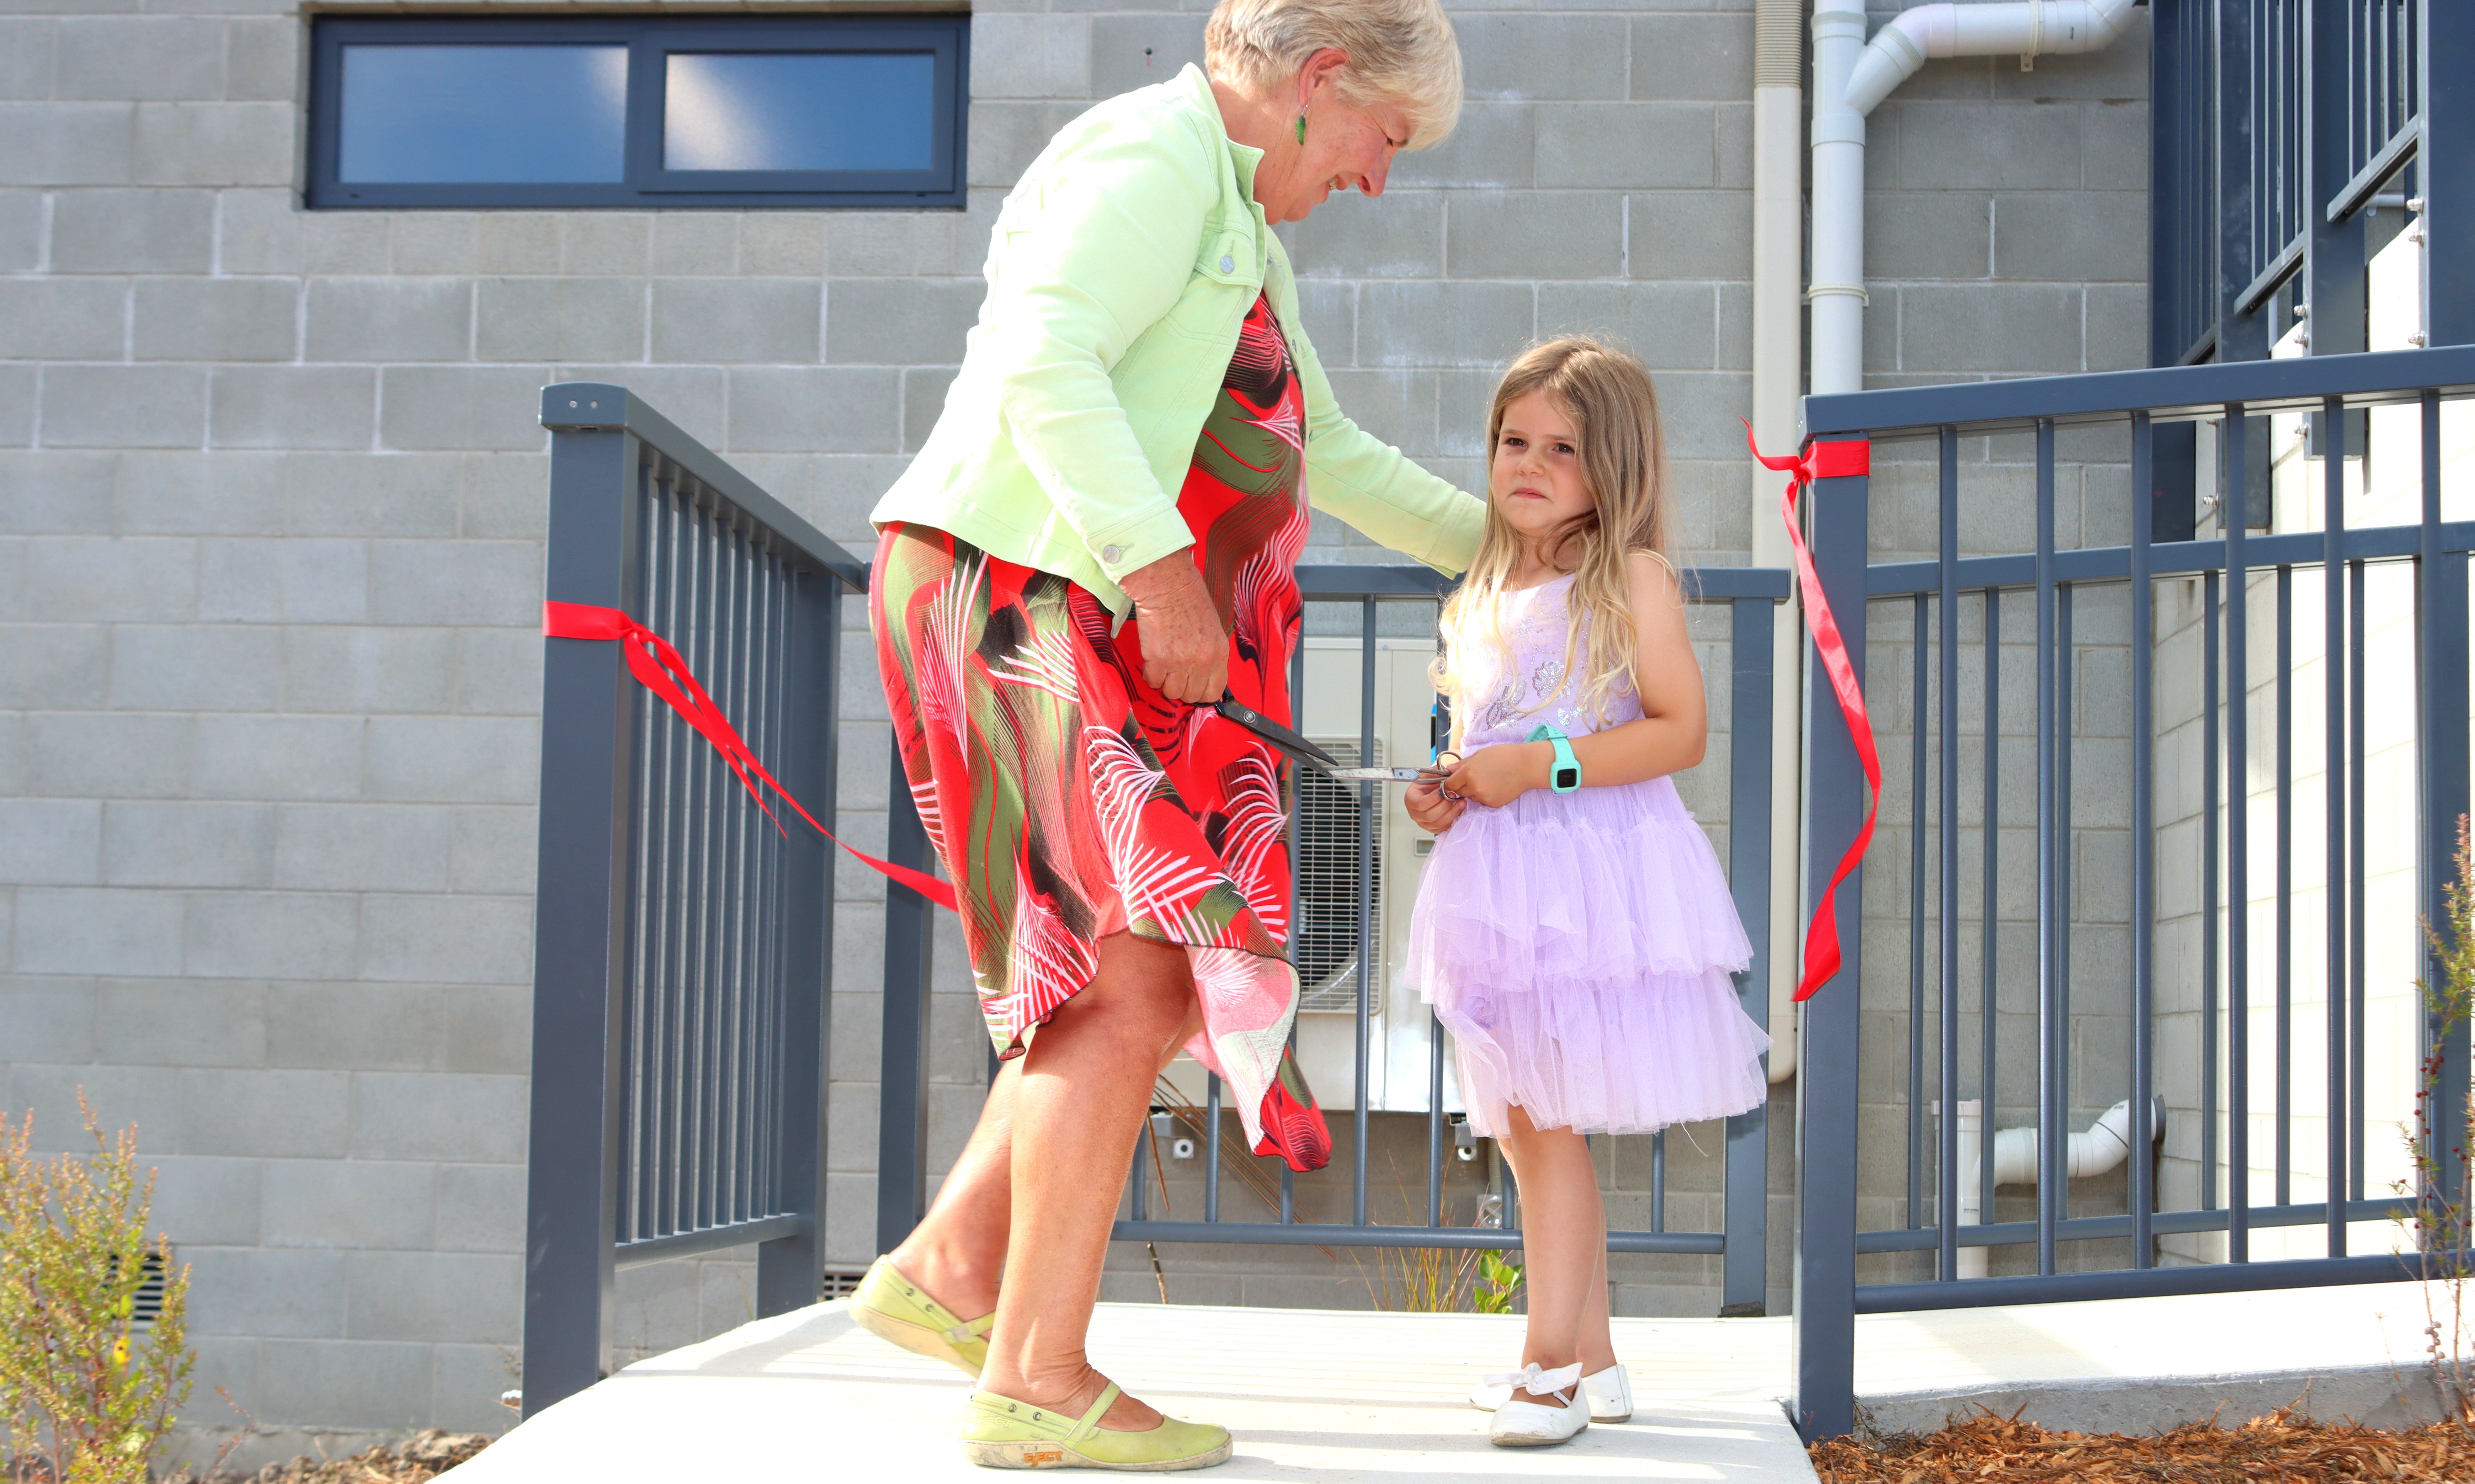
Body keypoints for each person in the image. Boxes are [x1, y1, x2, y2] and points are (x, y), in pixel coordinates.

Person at [853, 0, 1484, 1469]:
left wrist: (1517, 552)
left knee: (1124, 971)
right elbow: (1044, 357)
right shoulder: (1156, 157)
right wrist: (1158, 569)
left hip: (1039, 590)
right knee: (1132, 977)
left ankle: (954, 1272)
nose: (1378, 179)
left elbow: (1327, 447)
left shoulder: (1237, 226)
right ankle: (1037, 1382)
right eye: (1385, 141)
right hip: (1007, 586)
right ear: (1322, 83)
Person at [1401, 337, 1772, 1448]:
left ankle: (1549, 1367)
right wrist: (1457, 790)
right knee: (1526, 1132)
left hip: (1586, 882)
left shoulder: (1629, 580)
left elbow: (1681, 730)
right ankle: (1598, 1365)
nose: (1529, 464)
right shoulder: (1484, 588)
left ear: (1611, 467)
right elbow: (1490, 742)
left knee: (1543, 1123)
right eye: (1514, 442)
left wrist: (1540, 765)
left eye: (1561, 448)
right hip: (1499, 880)